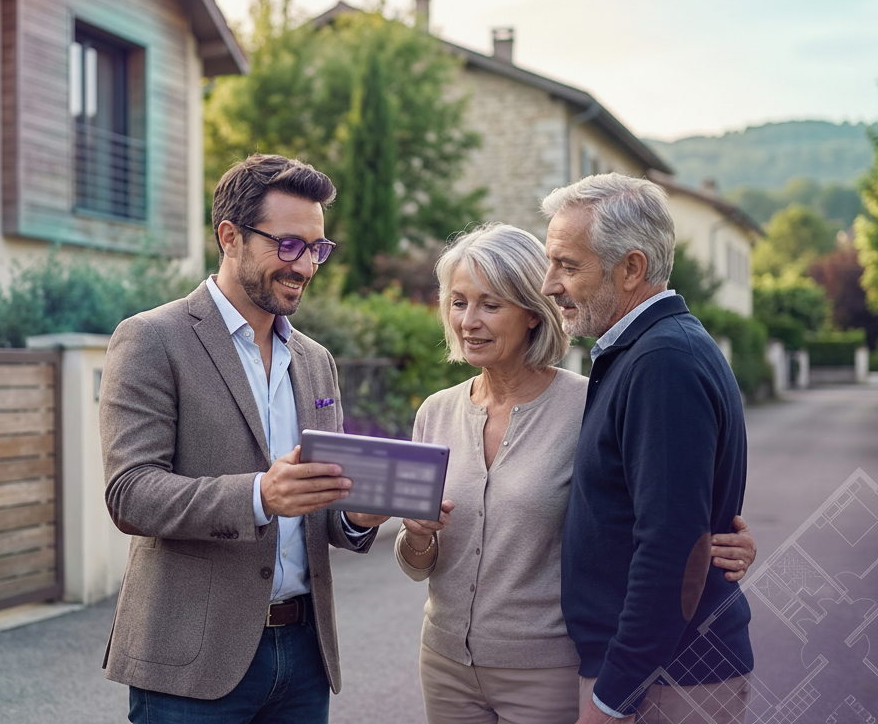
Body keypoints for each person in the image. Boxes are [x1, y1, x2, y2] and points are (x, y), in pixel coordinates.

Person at [395, 222, 755, 724]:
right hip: (445, 665)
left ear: (532, 313)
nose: (469, 321)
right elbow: (417, 565)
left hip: (548, 671)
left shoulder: (588, 405)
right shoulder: (435, 413)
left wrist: (720, 544)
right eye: (458, 302)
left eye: (490, 304)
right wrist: (415, 537)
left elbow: (655, 510)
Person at [100, 153, 389, 724]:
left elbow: (323, 510)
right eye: (287, 245)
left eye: (316, 249)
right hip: (190, 660)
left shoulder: (315, 361)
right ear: (229, 236)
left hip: (305, 657)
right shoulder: (151, 339)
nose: (304, 265)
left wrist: (362, 515)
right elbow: (130, 493)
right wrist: (260, 495)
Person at [541, 174, 754, 723]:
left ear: (631, 268)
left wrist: (613, 697)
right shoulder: (648, 351)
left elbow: (670, 548)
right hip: (654, 673)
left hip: (662, 681)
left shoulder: (662, 363)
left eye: (567, 265)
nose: (549, 284)